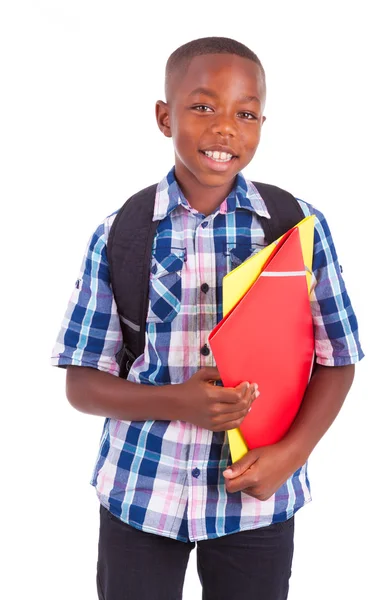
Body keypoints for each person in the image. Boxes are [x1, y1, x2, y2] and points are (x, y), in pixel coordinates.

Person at [51, 36, 364, 600]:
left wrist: (291, 456)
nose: (226, 128)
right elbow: (81, 383)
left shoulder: (297, 228)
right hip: (140, 492)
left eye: (246, 114)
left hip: (256, 498)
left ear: (262, 123)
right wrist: (178, 401)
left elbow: (338, 360)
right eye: (203, 107)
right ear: (164, 117)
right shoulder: (120, 233)